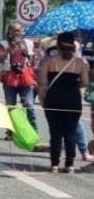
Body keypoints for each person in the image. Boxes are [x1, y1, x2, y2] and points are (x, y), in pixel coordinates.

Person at [37, 31, 90, 173]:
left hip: (54, 98)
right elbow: (85, 82)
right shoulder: (80, 63)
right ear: (74, 45)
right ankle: (70, 165)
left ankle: (54, 164)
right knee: (70, 132)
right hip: (73, 99)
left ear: (58, 46)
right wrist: (73, 85)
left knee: (55, 132)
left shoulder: (48, 61)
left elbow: (42, 82)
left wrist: (42, 97)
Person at [0, 22, 37, 134]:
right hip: (10, 76)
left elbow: (32, 62)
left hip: (25, 76)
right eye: (14, 30)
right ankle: (10, 131)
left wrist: (34, 57)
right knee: (11, 105)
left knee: (29, 105)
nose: (17, 33)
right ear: (10, 31)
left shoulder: (28, 43)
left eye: (19, 30)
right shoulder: (4, 44)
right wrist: (8, 50)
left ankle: (33, 130)